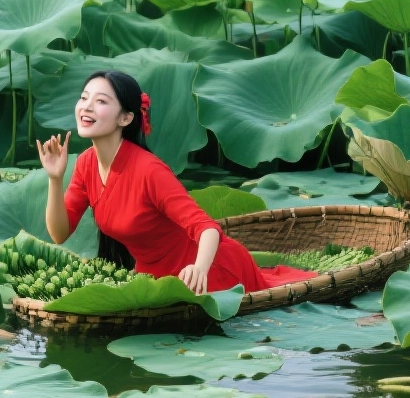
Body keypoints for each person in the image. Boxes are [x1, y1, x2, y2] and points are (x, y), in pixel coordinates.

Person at [37, 70, 315, 295]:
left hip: (207, 273)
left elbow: (207, 229)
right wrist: (55, 178)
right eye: (84, 97)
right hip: (153, 279)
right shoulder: (86, 164)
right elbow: (60, 233)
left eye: (101, 101)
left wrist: (199, 269)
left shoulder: (148, 170)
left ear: (126, 117)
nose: (87, 106)